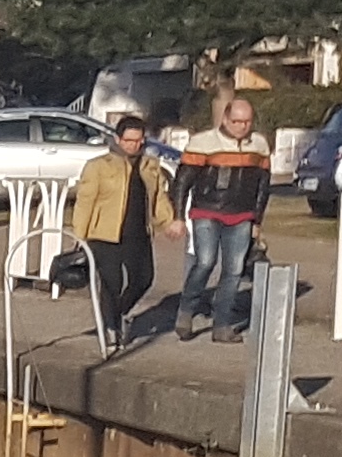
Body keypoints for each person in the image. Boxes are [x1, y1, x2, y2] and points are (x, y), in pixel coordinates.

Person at [68, 112, 179, 346]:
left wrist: (168, 222)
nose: (134, 145)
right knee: (112, 283)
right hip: (104, 233)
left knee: (144, 278)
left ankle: (117, 315)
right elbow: (85, 201)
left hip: (138, 233)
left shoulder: (150, 166)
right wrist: (80, 235)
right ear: (118, 139)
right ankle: (110, 329)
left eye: (139, 141)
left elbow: (158, 198)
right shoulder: (98, 166)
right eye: (129, 140)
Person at [174, 91, 272, 341]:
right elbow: (183, 181)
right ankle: (186, 311)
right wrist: (177, 216)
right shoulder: (202, 142)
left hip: (242, 215)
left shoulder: (259, 145)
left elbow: (263, 186)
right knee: (205, 262)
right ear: (226, 119)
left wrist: (257, 221)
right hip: (206, 210)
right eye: (237, 121)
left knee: (234, 270)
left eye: (247, 122)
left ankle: (222, 325)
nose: (242, 127)